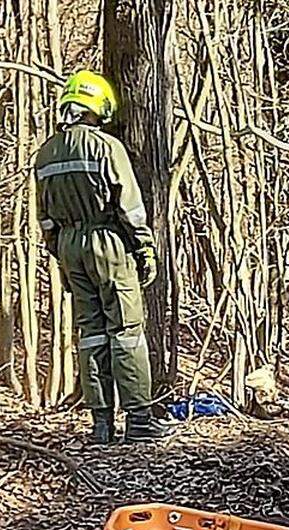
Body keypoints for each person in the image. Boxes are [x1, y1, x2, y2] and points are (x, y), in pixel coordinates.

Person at [34, 70, 174, 444]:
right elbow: (128, 205)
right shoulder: (106, 147)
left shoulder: (45, 152)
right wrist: (144, 247)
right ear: (100, 105)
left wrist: (60, 254)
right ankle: (140, 422)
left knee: (91, 333)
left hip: (68, 245)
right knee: (126, 331)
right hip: (108, 242)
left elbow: (44, 214)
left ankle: (101, 423)